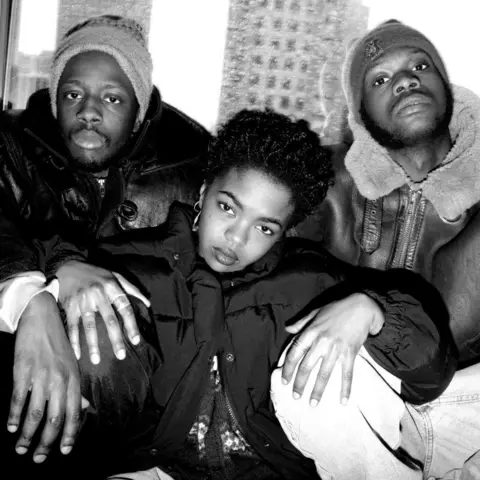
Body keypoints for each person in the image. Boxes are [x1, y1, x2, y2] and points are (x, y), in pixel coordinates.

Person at [77, 109, 455, 479]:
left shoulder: (310, 280)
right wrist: (62, 270)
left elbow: (430, 378)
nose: (237, 238)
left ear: (285, 231)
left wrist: (375, 311)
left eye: (264, 228)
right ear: (204, 193)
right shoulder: (130, 266)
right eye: (227, 208)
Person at [271, 20, 480, 479]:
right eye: (380, 79)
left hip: (469, 400)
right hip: (363, 396)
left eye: (420, 66)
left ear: (445, 86)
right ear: (360, 114)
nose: (406, 80)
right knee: (305, 377)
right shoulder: (326, 181)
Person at [0, 14, 210, 466]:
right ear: (55, 103)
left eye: (113, 97)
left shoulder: (195, 167)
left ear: (139, 112)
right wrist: (34, 294)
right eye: (73, 94)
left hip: (144, 374)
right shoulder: (11, 147)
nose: (89, 110)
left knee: (98, 337)